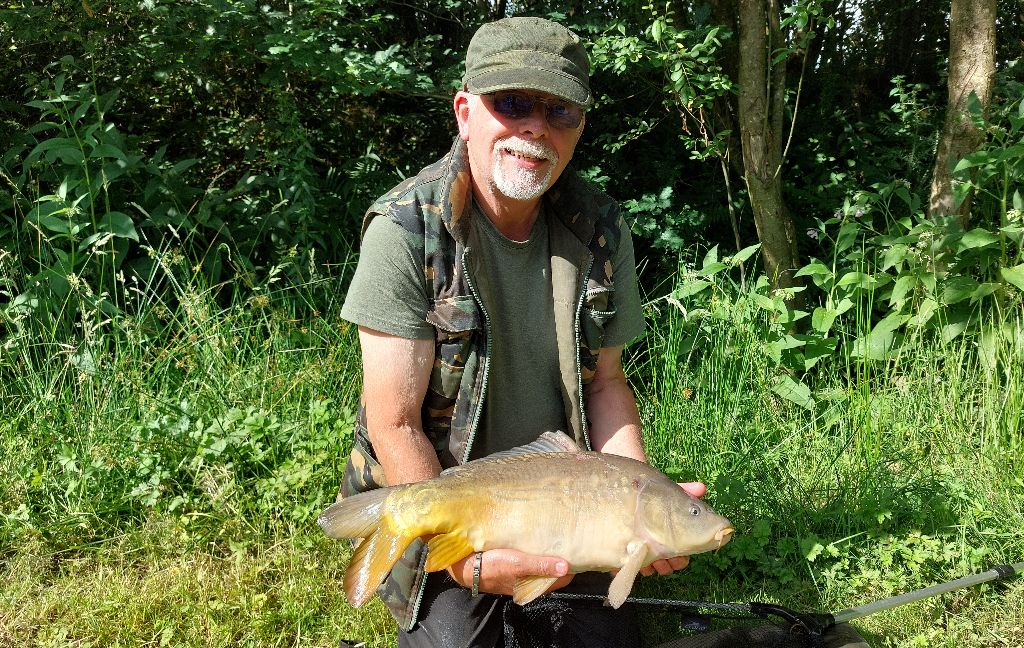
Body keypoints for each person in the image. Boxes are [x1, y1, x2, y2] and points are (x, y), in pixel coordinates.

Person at [335, 16, 700, 646]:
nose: (536, 127)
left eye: (560, 112)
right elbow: (394, 422)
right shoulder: (403, 230)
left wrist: (637, 494)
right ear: (465, 113)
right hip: (449, 493)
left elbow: (607, 384)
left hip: (567, 499)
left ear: (579, 129)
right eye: (512, 103)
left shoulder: (601, 228)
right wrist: (461, 558)